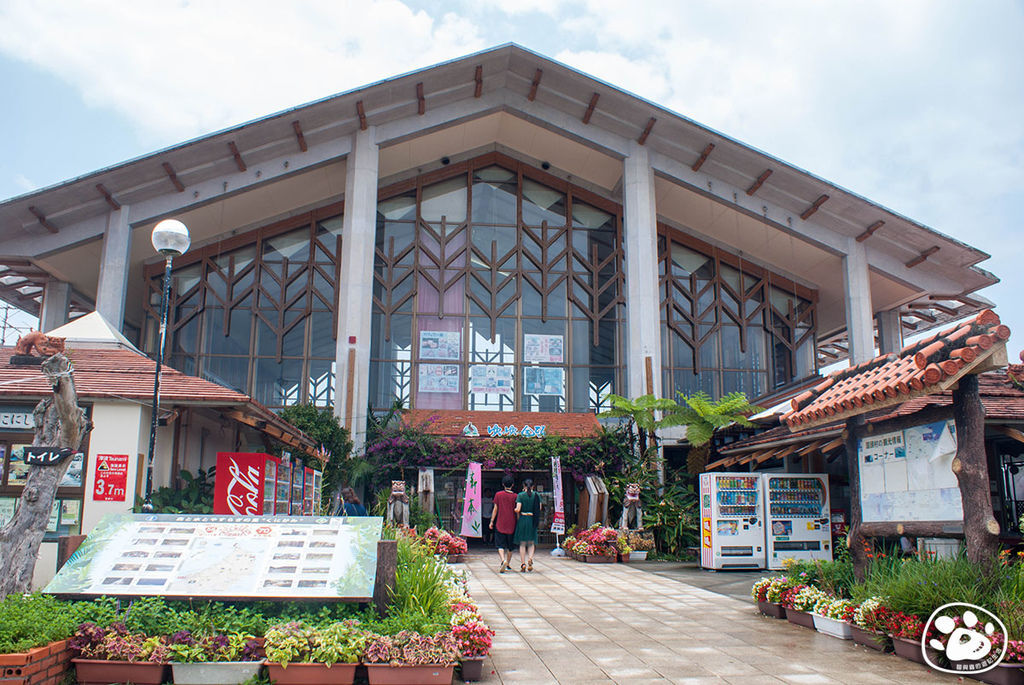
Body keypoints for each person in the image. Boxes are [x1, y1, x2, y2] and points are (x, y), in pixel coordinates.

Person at [490, 475, 518, 573]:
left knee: (500, 544)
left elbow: (495, 509)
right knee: (510, 546)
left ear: (503, 484)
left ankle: (503, 560)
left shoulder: (498, 495)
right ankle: (508, 563)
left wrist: (492, 521)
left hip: (500, 523)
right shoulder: (515, 496)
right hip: (512, 524)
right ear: (513, 485)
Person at [513, 478, 540, 572]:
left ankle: (523, 563)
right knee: (531, 543)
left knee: (522, 543)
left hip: (523, 519)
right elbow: (539, 508)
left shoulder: (520, 495)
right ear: (533, 486)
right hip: (532, 519)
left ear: (523, 486)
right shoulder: (537, 495)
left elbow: (518, 509)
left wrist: (513, 510)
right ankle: (530, 558)